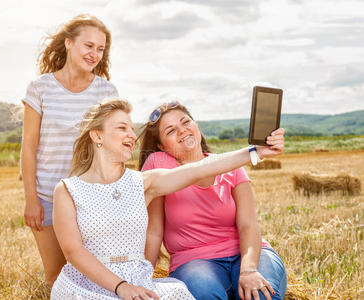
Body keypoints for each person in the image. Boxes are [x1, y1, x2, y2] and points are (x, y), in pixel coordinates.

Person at [50, 98, 284, 300]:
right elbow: (73, 251)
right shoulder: (68, 190)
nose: (132, 136)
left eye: (132, 129)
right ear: (97, 135)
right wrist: (122, 287)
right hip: (87, 284)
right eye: (122, 128)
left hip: (133, 277)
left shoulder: (143, 182)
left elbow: (200, 168)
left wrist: (256, 152)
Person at [138, 101, 287, 300]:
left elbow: (248, 224)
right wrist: (140, 279)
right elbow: (154, 230)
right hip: (193, 260)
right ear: (161, 146)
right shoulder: (159, 164)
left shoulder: (232, 166)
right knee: (206, 293)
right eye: (171, 131)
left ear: (196, 124)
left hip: (245, 253)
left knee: (260, 294)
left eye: (185, 122)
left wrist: (249, 269)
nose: (183, 131)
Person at [20, 14, 118, 286]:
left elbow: (109, 147)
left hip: (89, 196)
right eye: (88, 46)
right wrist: (31, 199)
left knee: (93, 275)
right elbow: (29, 146)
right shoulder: (40, 87)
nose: (94, 54)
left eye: (100, 49)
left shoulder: (105, 90)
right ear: (68, 44)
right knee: (56, 276)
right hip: (47, 195)